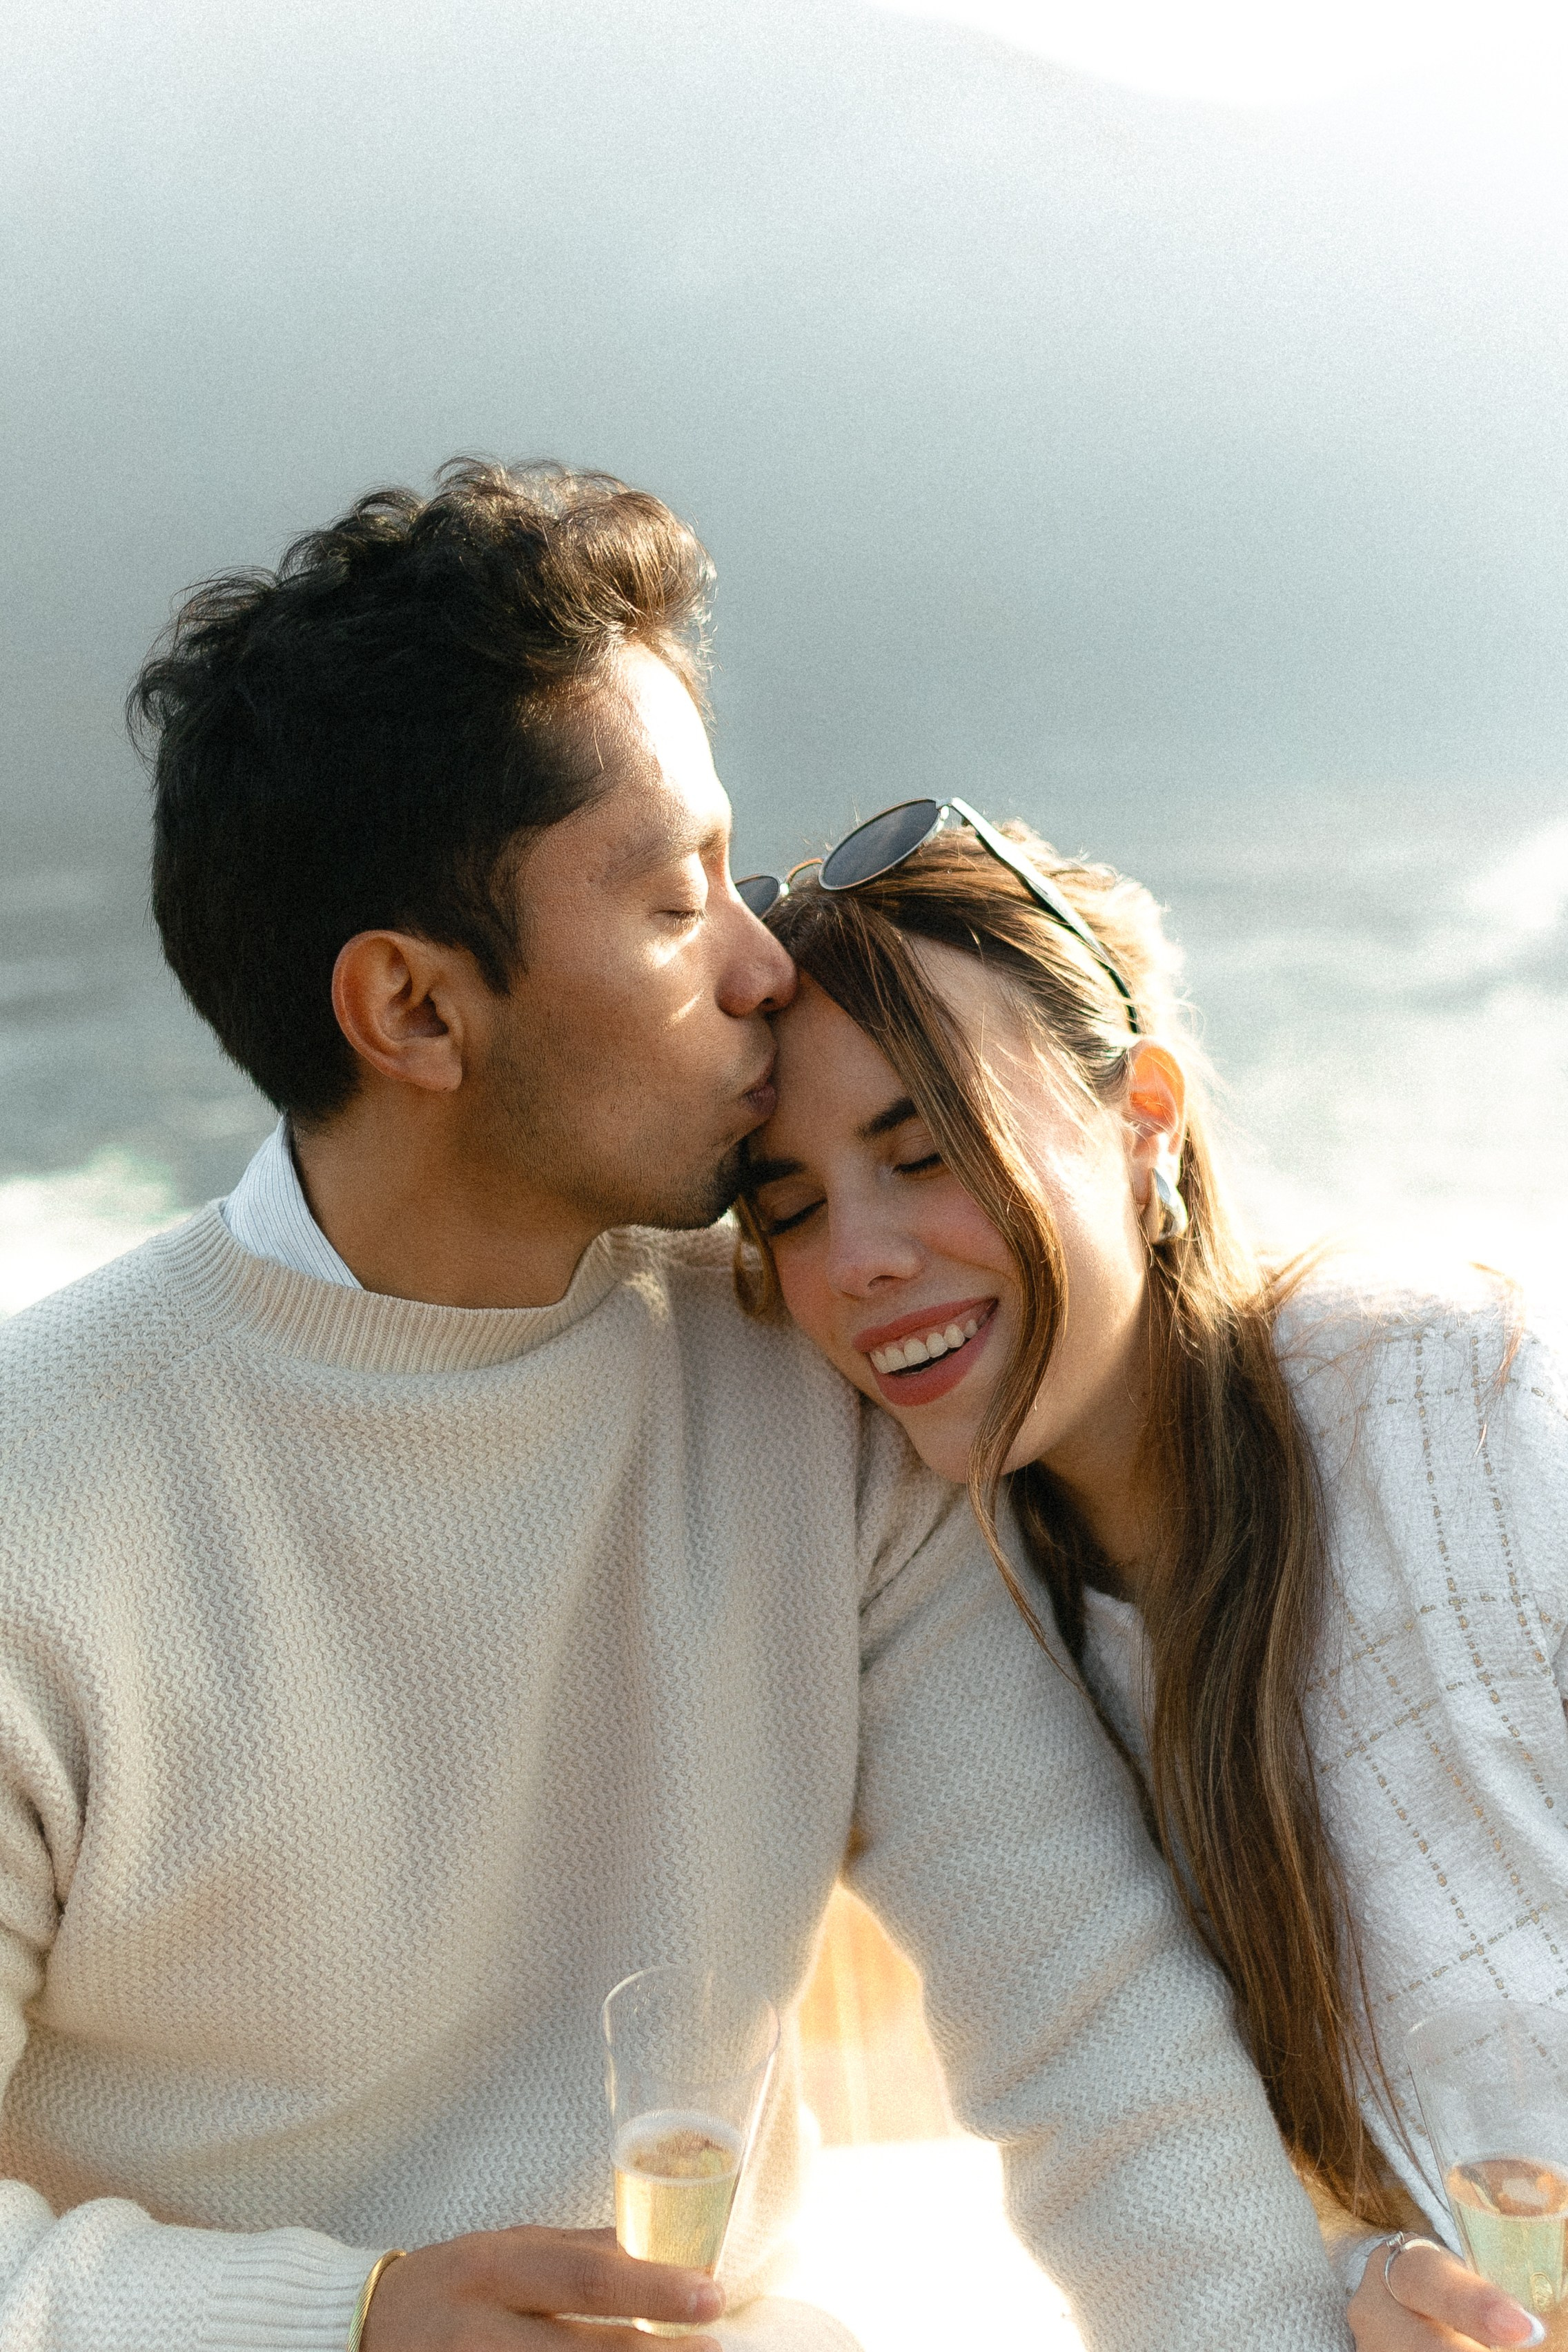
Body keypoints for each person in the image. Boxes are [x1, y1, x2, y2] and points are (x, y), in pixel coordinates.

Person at [0, 462, 1352, 2352]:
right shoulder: (39, 1500)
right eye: (671, 897)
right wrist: (346, 2321)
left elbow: (1090, 2010)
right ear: (414, 1014)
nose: (764, 962)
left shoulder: (797, 1387)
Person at [734, 803, 1568, 2352]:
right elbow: (1192, 2175)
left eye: (923, 1152)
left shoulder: (1446, 1397)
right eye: (789, 1209)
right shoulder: (967, 1634)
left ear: (1145, 1124)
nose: (857, 1258)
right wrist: (1360, 2286)